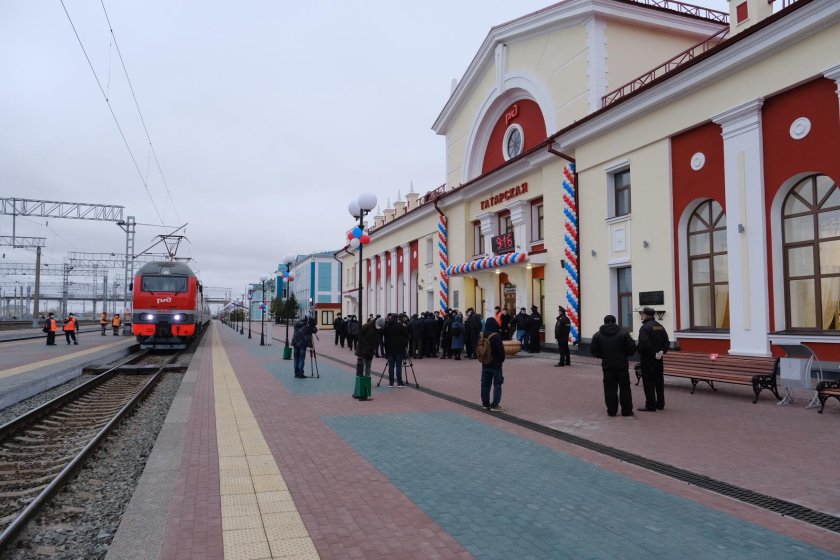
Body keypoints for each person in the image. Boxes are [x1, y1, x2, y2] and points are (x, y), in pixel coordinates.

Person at [590, 315, 636, 417]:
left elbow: (593, 351)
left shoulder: (597, 335)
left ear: (604, 322)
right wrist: (625, 354)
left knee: (609, 389)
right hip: (622, 365)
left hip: (607, 366)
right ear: (615, 322)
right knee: (625, 388)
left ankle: (611, 411)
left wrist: (602, 356)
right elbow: (632, 347)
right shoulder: (624, 333)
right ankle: (627, 411)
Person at [637, 306, 670, 411]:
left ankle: (650, 405)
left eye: (642, 314)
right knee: (659, 381)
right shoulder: (659, 326)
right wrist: (661, 352)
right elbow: (667, 341)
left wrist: (653, 353)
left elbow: (644, 344)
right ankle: (660, 404)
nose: (641, 316)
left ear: (646, 315)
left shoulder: (645, 328)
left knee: (648, 382)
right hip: (659, 359)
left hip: (648, 359)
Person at [480, 317, 506, 411]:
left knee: (485, 384)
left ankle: (485, 404)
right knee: (497, 384)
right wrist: (501, 360)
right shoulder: (496, 336)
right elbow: (501, 352)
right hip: (496, 365)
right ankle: (495, 405)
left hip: (485, 364)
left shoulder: (482, 335)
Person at [383, 313, 408, 387]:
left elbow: (385, 336)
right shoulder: (400, 325)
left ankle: (391, 383)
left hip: (389, 349)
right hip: (399, 349)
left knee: (391, 366)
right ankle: (399, 382)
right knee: (398, 366)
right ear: (397, 318)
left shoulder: (386, 326)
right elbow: (405, 335)